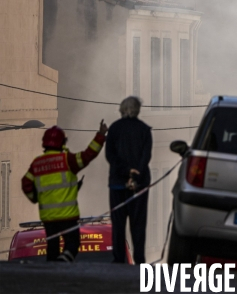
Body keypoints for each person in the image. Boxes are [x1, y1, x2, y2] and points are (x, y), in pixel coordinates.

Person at [22, 120, 108, 262]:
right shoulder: (68, 160)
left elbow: (26, 184)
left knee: (52, 248)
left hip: (48, 218)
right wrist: (100, 135)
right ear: (62, 142)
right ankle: (63, 264)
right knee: (72, 245)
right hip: (68, 216)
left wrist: (35, 198)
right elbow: (88, 155)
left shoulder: (37, 163)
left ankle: (52, 274)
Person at [105, 96, 152, 264]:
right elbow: (145, 157)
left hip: (117, 184)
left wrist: (125, 171)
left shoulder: (114, 129)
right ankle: (139, 260)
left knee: (118, 224)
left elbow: (110, 156)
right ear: (138, 110)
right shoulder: (145, 130)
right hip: (139, 185)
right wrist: (135, 174)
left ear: (122, 109)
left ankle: (118, 258)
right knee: (138, 224)